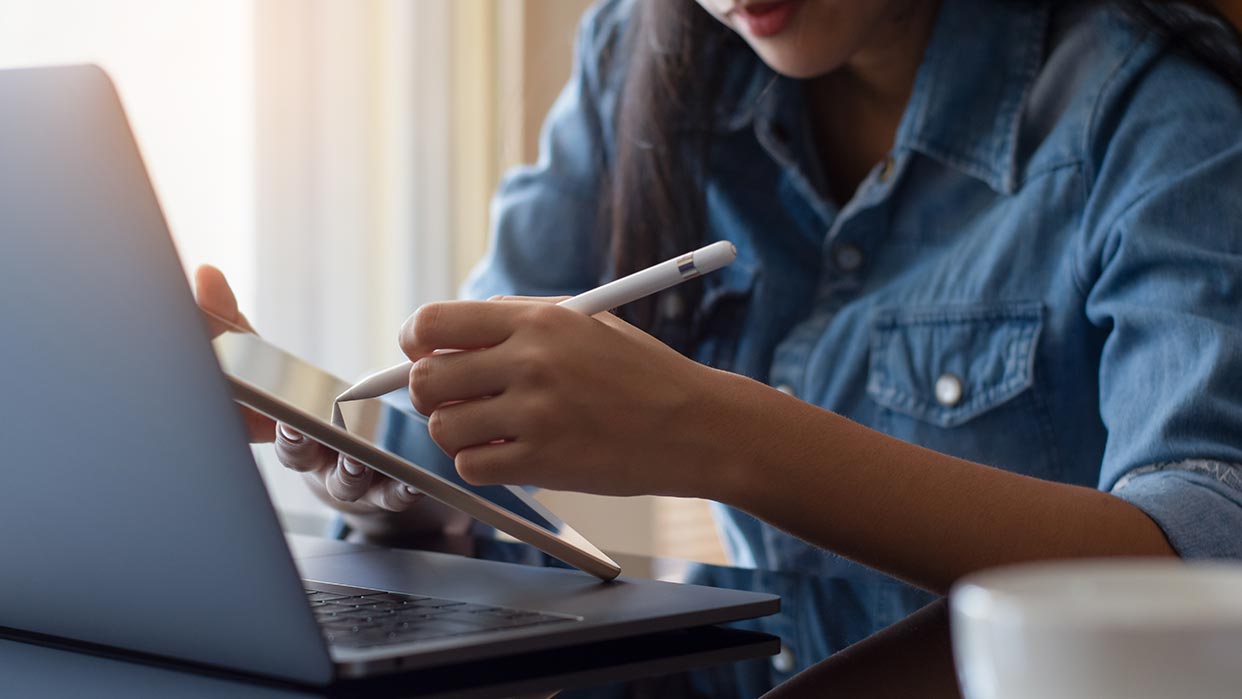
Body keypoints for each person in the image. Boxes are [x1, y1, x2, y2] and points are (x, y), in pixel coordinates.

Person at [198, 0, 1242, 691]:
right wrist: (408, 494)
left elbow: (1202, 568)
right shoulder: (649, 54)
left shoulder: (1156, 119)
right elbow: (459, 448)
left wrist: (717, 433)